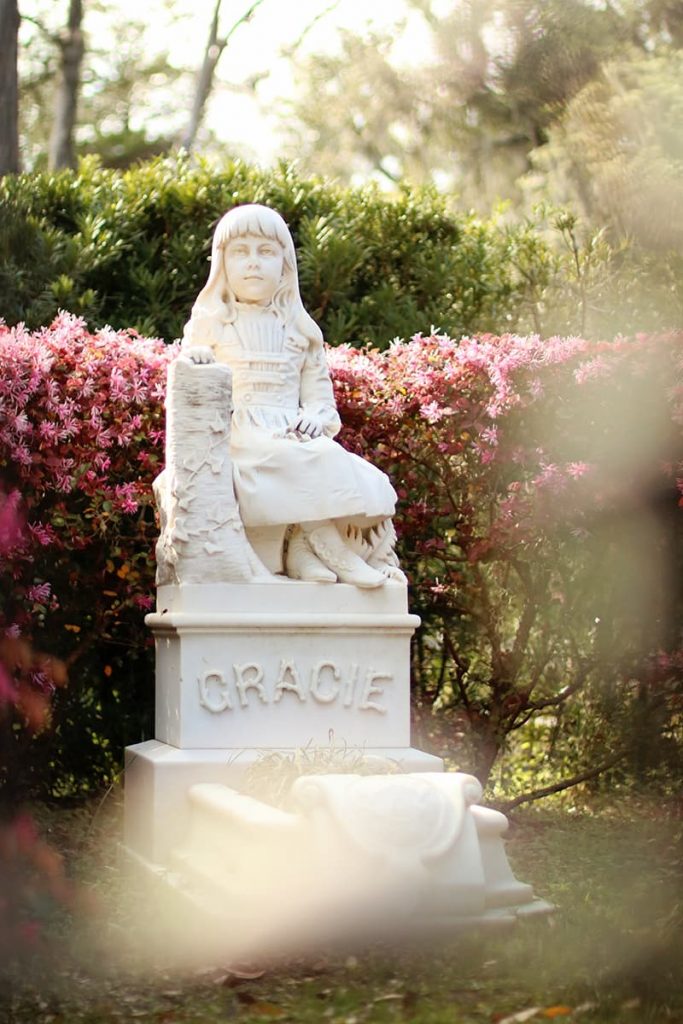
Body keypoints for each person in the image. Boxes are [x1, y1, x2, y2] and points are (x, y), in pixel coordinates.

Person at [181, 203, 403, 588]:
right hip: (240, 433)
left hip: (291, 432)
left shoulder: (301, 330)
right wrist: (196, 358)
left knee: (334, 460)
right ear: (223, 263)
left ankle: (301, 550)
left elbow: (322, 404)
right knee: (295, 458)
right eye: (241, 252)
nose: (253, 263)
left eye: (266, 252)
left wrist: (315, 418)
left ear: (285, 264)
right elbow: (188, 376)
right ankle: (333, 553)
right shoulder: (211, 324)